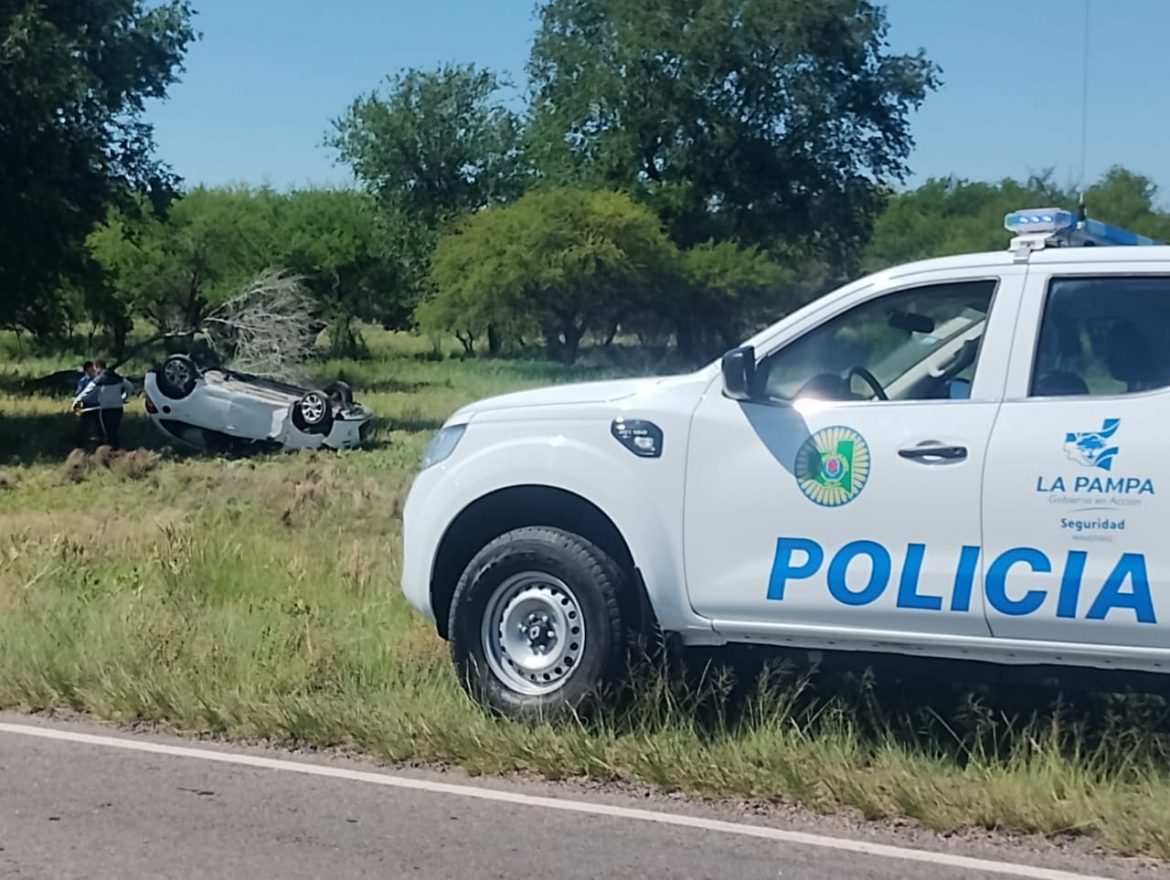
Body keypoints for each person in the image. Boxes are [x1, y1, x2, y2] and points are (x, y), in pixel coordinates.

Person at [72, 360, 134, 448]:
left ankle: (109, 452)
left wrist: (77, 401)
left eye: (95, 369)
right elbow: (130, 387)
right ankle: (115, 450)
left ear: (97, 367)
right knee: (114, 431)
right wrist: (123, 397)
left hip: (106, 410)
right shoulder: (117, 377)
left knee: (107, 432)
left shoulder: (99, 379)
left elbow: (87, 391)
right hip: (118, 409)